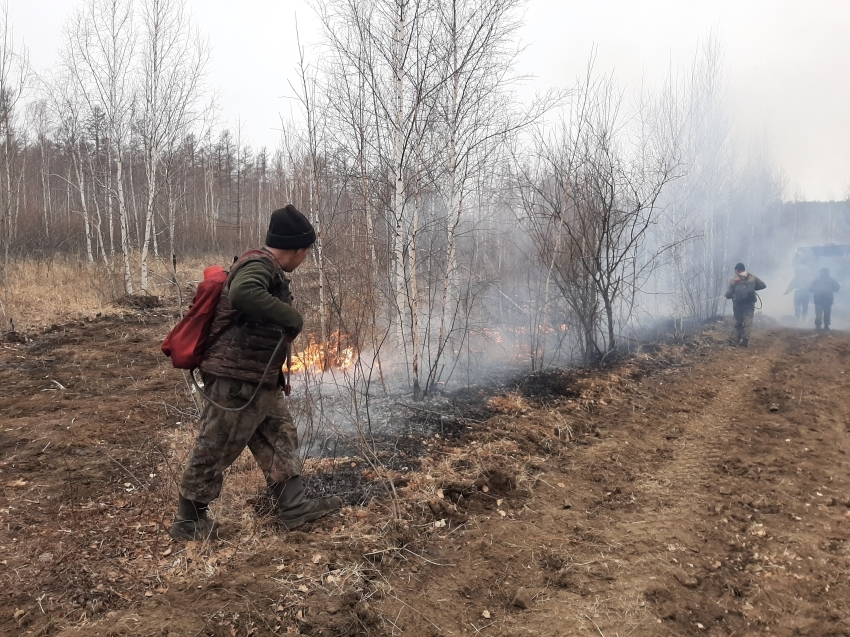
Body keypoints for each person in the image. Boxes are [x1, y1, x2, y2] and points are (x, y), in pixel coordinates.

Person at [169, 205, 342, 541]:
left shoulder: (267, 266)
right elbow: (244, 292)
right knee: (216, 444)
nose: (306, 257)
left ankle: (293, 508)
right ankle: (189, 522)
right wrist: (291, 318)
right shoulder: (258, 264)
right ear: (296, 249)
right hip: (236, 379)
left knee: (280, 435)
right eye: (306, 251)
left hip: (257, 378)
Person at [724, 262, 766, 347]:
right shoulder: (752, 277)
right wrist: (752, 288)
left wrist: (727, 296)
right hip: (750, 303)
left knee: (737, 321)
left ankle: (736, 339)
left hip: (738, 304)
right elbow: (763, 285)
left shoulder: (734, 279)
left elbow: (729, 293)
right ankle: (745, 341)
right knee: (748, 321)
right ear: (743, 269)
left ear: (737, 270)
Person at [809, 267, 840, 332]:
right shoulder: (830, 280)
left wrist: (816, 290)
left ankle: (820, 326)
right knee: (825, 313)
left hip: (821, 299)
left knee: (820, 313)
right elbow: (837, 288)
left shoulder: (817, 280)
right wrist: (830, 290)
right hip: (825, 299)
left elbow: (810, 288)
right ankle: (825, 326)